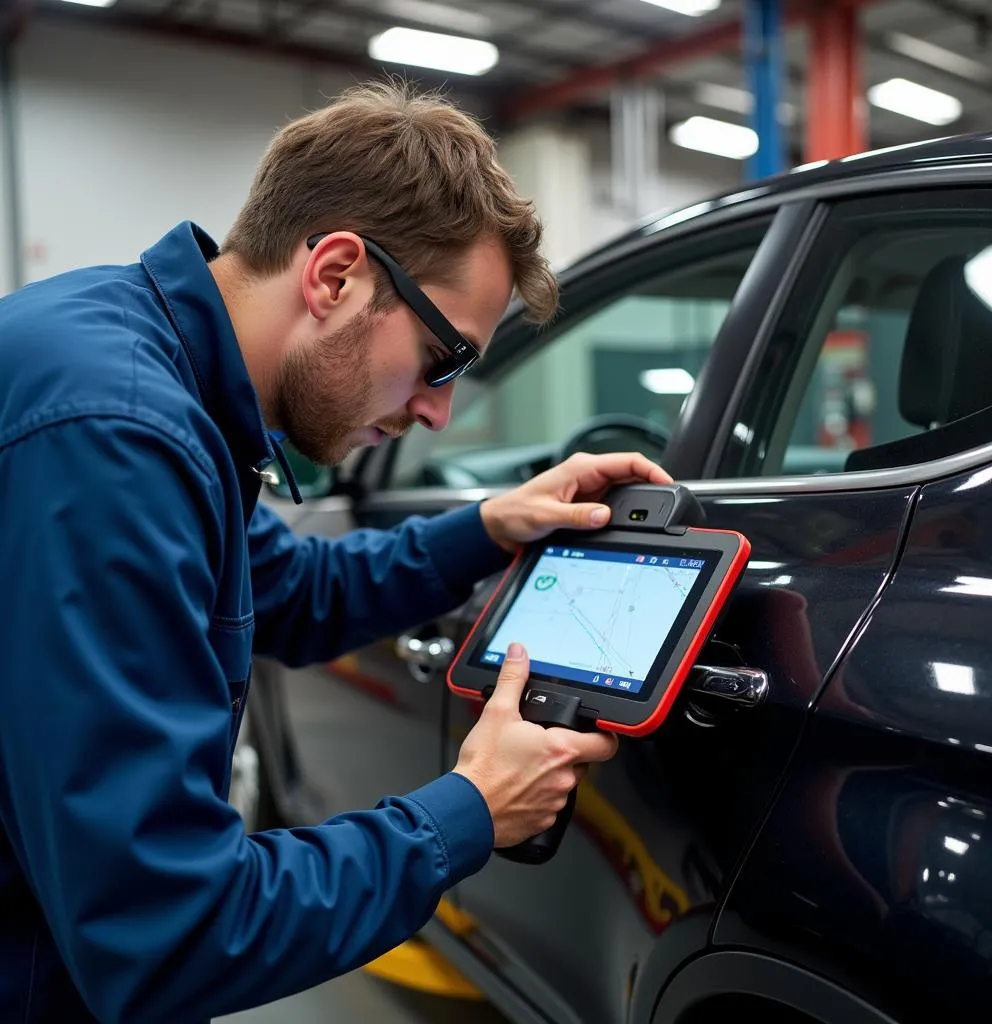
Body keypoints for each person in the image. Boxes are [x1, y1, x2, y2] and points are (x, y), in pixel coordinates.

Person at [0, 82, 673, 1022]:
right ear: (335, 276)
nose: (439, 411)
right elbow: (163, 933)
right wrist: (467, 809)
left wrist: (488, 524)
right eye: (444, 359)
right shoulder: (117, 438)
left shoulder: (149, 368)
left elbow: (292, 590)